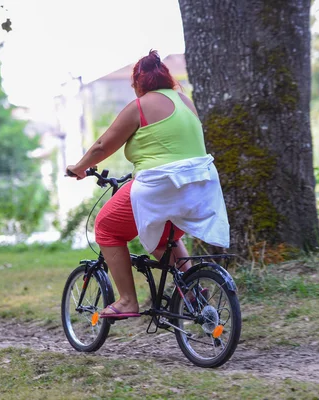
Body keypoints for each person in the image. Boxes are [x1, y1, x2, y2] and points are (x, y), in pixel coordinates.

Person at [66, 50, 230, 319]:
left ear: (137, 84)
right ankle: (191, 290)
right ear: (167, 77)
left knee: (106, 227)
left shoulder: (139, 107)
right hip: (200, 186)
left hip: (161, 184)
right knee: (164, 237)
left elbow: (102, 146)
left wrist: (78, 168)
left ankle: (127, 301)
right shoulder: (186, 102)